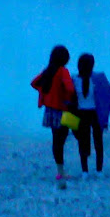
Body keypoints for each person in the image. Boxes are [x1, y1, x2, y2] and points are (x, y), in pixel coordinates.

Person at [31, 45, 75, 188]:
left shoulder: (48, 71)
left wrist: (45, 93)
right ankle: (63, 172)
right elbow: (70, 88)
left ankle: (59, 171)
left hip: (50, 111)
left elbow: (34, 83)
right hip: (63, 110)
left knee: (56, 140)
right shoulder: (63, 71)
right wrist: (66, 98)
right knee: (69, 135)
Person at [72, 53, 110, 177]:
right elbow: (108, 94)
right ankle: (97, 170)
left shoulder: (74, 79)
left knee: (86, 141)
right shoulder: (98, 78)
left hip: (83, 113)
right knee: (96, 142)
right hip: (92, 113)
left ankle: (86, 170)